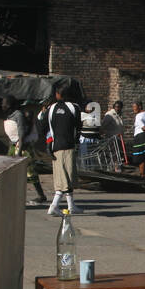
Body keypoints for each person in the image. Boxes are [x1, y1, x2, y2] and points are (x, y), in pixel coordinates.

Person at [45, 79, 81, 216]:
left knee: (63, 177)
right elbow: (78, 128)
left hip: (55, 146)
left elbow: (45, 127)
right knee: (66, 178)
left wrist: (49, 143)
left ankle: (71, 206)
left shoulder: (51, 108)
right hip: (68, 146)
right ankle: (54, 205)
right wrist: (76, 142)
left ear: (58, 95)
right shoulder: (74, 107)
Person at [3, 97, 48, 204]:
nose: (2, 106)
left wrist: (19, 152)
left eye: (5, 104)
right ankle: (11, 194)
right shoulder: (10, 115)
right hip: (14, 146)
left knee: (30, 172)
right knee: (10, 171)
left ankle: (41, 195)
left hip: (22, 148)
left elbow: (21, 134)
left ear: (10, 105)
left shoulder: (18, 115)